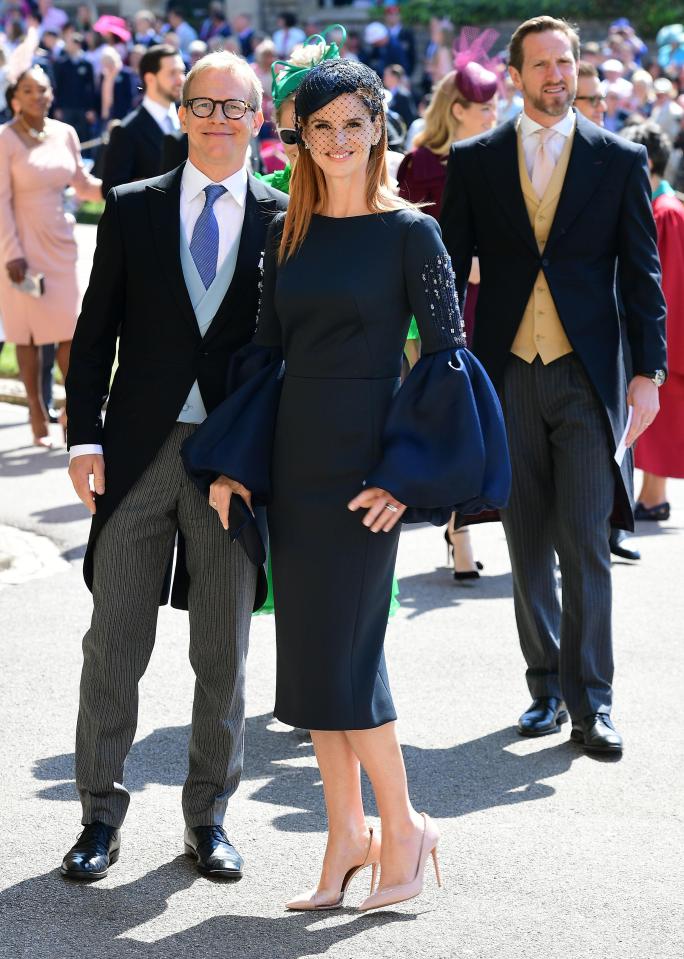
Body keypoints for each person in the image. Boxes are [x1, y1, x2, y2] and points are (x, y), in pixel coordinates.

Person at [181, 57, 509, 910]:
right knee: (316, 664)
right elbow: (263, 360)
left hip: (367, 471)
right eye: (317, 127)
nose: (334, 142)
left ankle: (402, 826)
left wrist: (404, 475)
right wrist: (236, 470)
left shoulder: (413, 234)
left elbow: (445, 361)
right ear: (299, 135)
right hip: (294, 464)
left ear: (377, 129)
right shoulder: (286, 233)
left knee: (353, 662)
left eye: (350, 125)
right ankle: (345, 836)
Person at [60, 50, 288, 882]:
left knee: (221, 650)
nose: (220, 119)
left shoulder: (284, 215)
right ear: (181, 110)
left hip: (230, 464)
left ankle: (210, 815)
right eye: (205, 104)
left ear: (258, 118)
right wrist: (85, 439)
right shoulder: (131, 210)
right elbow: (94, 337)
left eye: (236, 106)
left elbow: (285, 354)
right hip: (135, 456)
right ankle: (97, 815)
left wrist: (263, 461)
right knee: (114, 639)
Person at [440, 16, 667, 754]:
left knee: (587, 539)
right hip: (506, 373)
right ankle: (543, 686)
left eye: (566, 62)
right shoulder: (475, 161)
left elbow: (643, 275)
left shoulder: (620, 158)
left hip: (586, 375)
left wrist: (649, 373)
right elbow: (445, 271)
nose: (556, 75)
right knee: (527, 540)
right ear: (516, 75)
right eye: (541, 64)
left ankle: (591, 699)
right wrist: (444, 367)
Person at [398, 60, 498, 580]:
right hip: (435, 311)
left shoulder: (498, 157)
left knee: (481, 421)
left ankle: (465, 527)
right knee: (450, 419)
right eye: (486, 108)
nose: (495, 115)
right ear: (458, 110)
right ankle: (458, 534)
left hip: (495, 306)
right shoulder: (418, 163)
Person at [0, 65, 102, 448]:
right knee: (27, 336)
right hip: (20, 246)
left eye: (42, 89)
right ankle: (35, 411)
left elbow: (82, 184)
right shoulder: (5, 139)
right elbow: (1, 201)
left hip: (60, 244)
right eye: (27, 90)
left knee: (69, 333)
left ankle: (72, 412)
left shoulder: (65, 133)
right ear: (14, 97)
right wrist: (11, 252)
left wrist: (121, 188)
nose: (36, 96)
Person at [573, 60, 641, 563]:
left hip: (616, 321)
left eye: (600, 99)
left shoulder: (620, 158)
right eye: (589, 100)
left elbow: (643, 260)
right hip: (558, 335)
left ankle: (614, 526)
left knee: (620, 431)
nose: (600, 107)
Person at [621, 123, 684, 520]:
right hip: (664, 333)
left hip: (670, 334)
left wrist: (659, 345)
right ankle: (649, 495)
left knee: (661, 421)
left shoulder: (667, 213)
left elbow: (671, 284)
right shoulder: (661, 208)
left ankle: (654, 497)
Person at [101, 44, 185, 195]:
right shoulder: (126, 131)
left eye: (181, 72)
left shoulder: (191, 121)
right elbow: (112, 190)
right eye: (172, 73)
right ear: (150, 79)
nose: (181, 80)